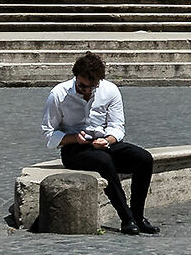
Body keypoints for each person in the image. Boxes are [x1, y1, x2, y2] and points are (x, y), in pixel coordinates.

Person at [43, 51, 158, 234]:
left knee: (144, 159)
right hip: (74, 148)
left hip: (103, 143)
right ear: (76, 77)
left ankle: (138, 215)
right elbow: (49, 134)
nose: (86, 91)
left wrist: (107, 140)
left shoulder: (110, 90)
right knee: (103, 162)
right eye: (82, 86)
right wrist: (75, 138)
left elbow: (117, 127)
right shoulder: (58, 94)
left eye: (92, 87)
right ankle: (126, 218)